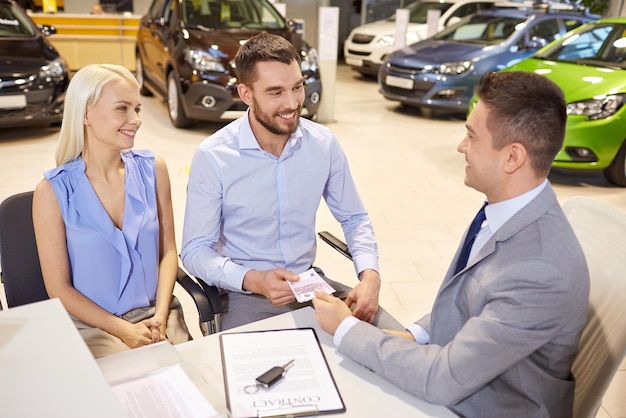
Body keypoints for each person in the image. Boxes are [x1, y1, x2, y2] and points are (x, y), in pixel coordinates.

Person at [313, 71, 590, 417]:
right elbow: (473, 302)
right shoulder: (506, 208)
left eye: (472, 137)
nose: (461, 147)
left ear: (512, 157)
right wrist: (414, 335)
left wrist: (345, 328)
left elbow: (442, 379)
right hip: (460, 374)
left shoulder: (539, 269)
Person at [181, 32, 402, 331]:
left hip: (308, 285)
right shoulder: (214, 156)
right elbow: (195, 251)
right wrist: (254, 280)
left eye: (297, 87)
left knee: (396, 340)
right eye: (276, 92)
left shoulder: (323, 144)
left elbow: (354, 217)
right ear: (246, 94)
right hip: (246, 293)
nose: (292, 103)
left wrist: (370, 275)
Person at [33, 64, 190, 358]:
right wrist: (123, 331)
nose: (136, 120)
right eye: (122, 108)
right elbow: (59, 289)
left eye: (137, 109)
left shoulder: (154, 170)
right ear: (85, 114)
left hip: (158, 316)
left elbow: (168, 252)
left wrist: (161, 314)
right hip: (94, 325)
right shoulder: (51, 192)